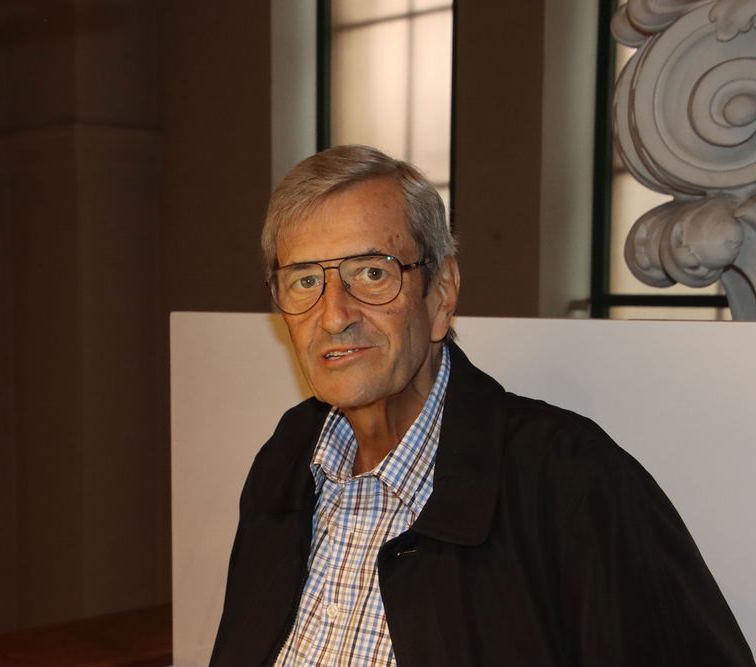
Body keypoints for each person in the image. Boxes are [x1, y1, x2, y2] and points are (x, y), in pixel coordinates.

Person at [209, 145, 755, 666]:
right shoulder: (287, 461)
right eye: (305, 280)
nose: (333, 316)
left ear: (442, 292)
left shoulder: (574, 484)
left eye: (372, 273)